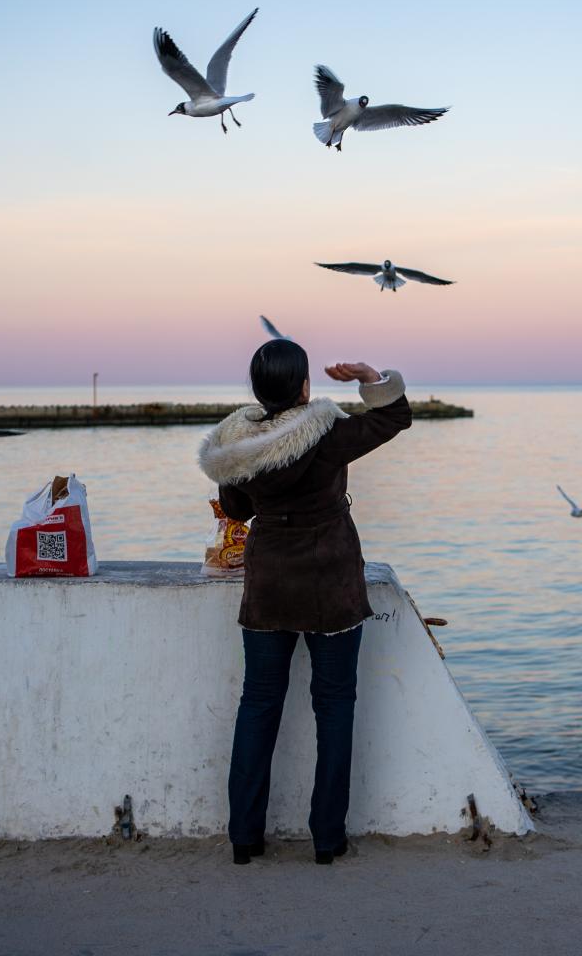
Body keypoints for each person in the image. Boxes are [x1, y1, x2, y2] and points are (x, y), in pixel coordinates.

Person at [197, 340, 411, 865]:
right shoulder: (328, 432)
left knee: (258, 705)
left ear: (257, 390)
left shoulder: (239, 446)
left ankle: (245, 838)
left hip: (270, 583)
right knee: (335, 707)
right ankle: (326, 840)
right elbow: (395, 418)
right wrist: (371, 376)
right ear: (305, 387)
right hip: (330, 582)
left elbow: (235, 507)